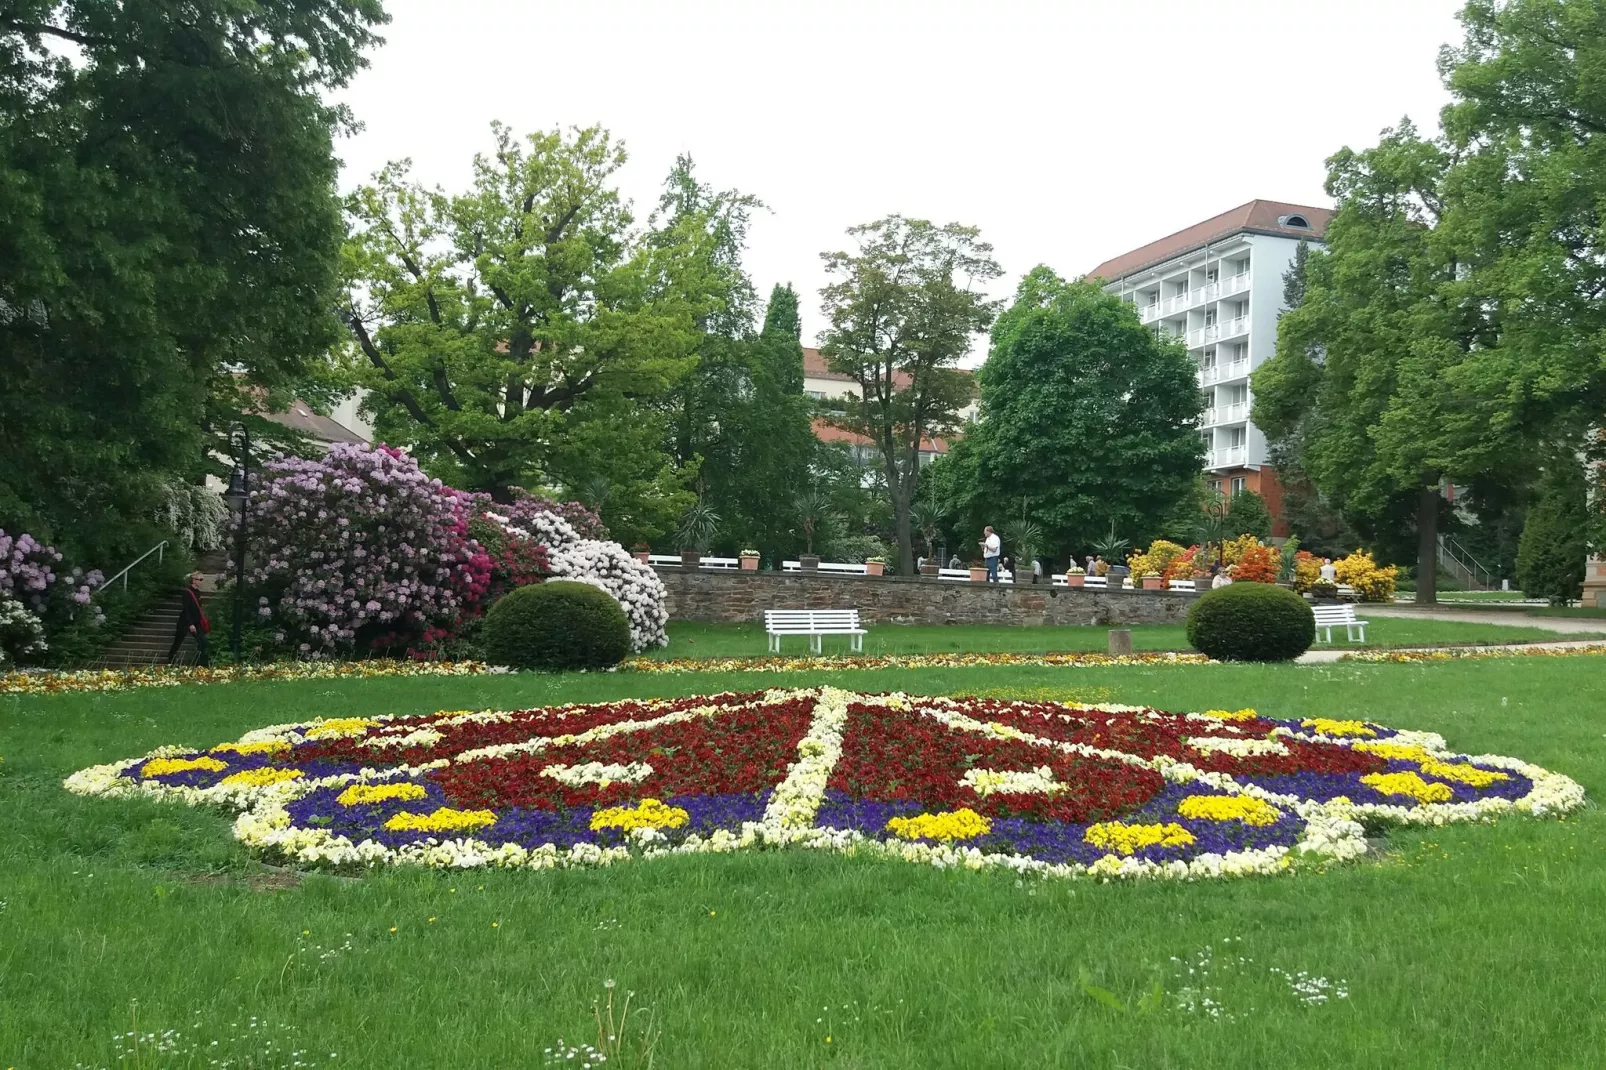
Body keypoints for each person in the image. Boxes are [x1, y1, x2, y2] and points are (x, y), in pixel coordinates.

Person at [167, 572, 212, 666]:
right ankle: (171, 659)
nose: (201, 582)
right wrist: (190, 623)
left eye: (202, 580)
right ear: (194, 580)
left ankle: (200, 663)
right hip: (186, 621)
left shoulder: (198, 593)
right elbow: (186, 609)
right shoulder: (187, 592)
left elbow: (198, 608)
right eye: (200, 579)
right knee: (178, 641)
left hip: (196, 620)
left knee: (202, 641)